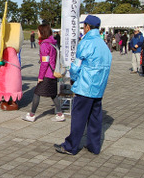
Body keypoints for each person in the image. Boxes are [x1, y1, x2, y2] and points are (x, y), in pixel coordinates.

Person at [55, 15, 112, 155]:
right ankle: (94, 146)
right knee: (95, 119)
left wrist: (73, 78)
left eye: (84, 26)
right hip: (98, 88)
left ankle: (71, 146)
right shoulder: (103, 45)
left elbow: (76, 66)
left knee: (79, 117)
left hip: (85, 86)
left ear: (87, 26)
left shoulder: (86, 43)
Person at [22, 24, 64, 122]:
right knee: (53, 95)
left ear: (42, 32)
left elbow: (45, 63)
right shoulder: (53, 43)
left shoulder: (45, 45)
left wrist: (40, 77)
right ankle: (60, 114)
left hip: (47, 74)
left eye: (38, 31)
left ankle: (32, 115)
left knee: (37, 93)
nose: (37, 33)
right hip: (53, 73)